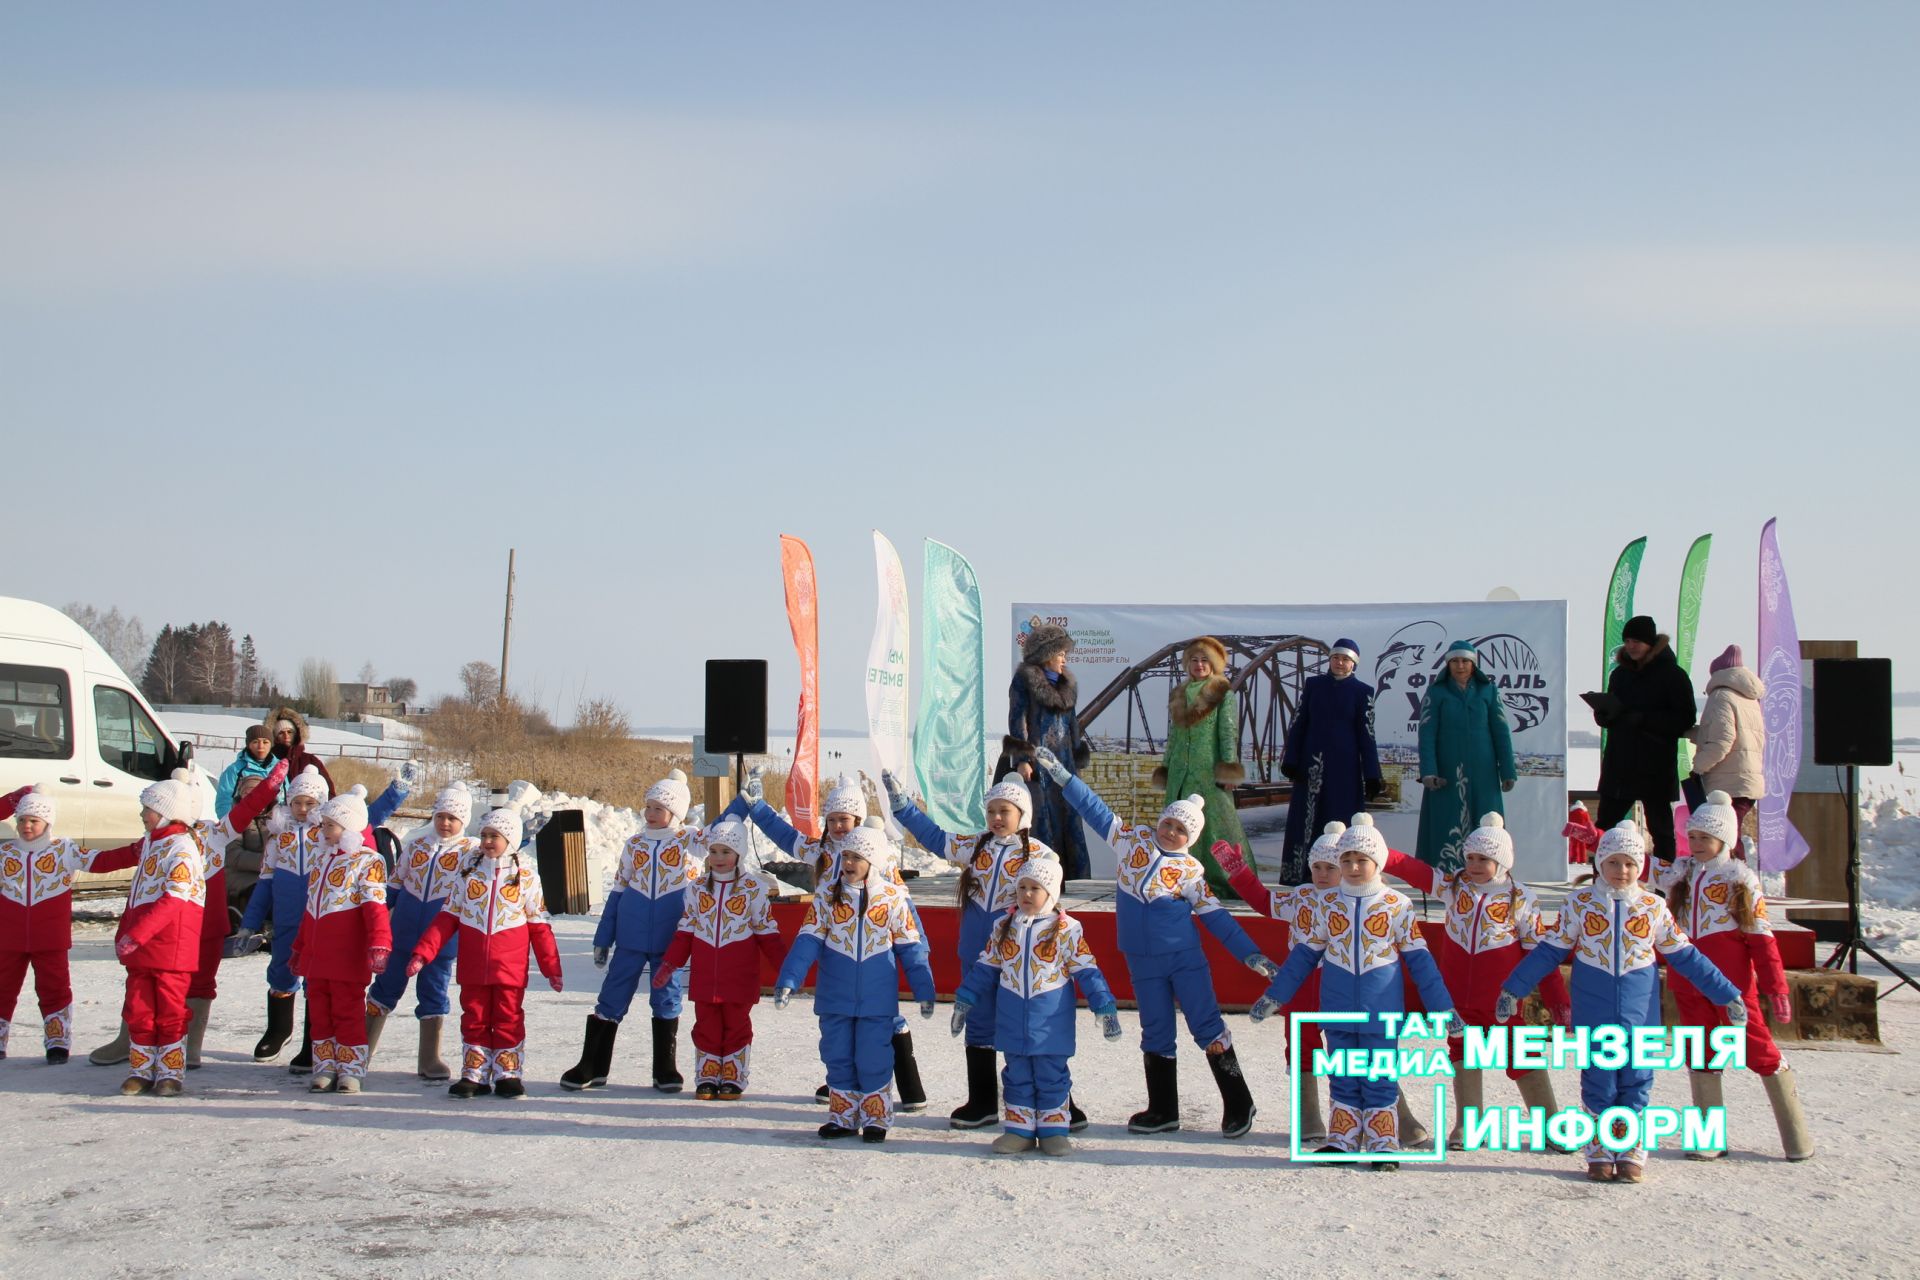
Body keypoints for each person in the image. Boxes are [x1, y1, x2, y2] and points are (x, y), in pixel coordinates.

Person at [1035, 745, 1278, 1139]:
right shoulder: (1132, 842)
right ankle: (1163, 1109)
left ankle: (1238, 1101)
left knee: (1206, 1026)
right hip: (1141, 960)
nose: (1171, 832)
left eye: (1181, 830)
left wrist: (1250, 954)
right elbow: (1095, 811)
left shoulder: (1190, 872)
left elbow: (1217, 919)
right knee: (1156, 1030)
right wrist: (1065, 778)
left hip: (1183, 960)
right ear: (1161, 820)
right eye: (1169, 823)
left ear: (1191, 837)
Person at [1498, 819, 1745, 1183]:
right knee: (1598, 1077)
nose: (1622, 870)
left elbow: (1687, 957)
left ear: (1640, 866)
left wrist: (1727, 994)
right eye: (1613, 862)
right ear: (1599, 864)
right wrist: (1513, 988)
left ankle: (1629, 1147)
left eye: (1629, 863)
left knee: (1637, 1077)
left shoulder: (1652, 907)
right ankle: (1600, 1148)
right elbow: (1548, 951)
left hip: (1638, 1007)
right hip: (1593, 1005)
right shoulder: (1580, 904)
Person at [1252, 814, 1457, 1169]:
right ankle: (1342, 1139)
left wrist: (1443, 1009)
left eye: (1361, 859)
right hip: (1338, 1005)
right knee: (1343, 1071)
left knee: (1379, 1073)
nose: (1353, 866)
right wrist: (1276, 995)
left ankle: (1383, 1142)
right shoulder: (1328, 905)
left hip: (1381, 1008)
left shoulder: (1396, 905)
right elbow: (1304, 954)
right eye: (1345, 860)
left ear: (1376, 862)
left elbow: (1421, 961)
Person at [726, 769, 929, 1113]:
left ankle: (910, 1089)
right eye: (832, 819)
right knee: (841, 1020)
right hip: (837, 943)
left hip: (874, 947)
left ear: (859, 820)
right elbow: (782, 834)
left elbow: (902, 904)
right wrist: (758, 806)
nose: (838, 827)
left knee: (884, 1019)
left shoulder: (877, 855)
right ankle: (843, 1083)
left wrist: (917, 945)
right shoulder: (819, 851)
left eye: (845, 820)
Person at [883, 769, 1063, 1130]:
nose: (997, 818)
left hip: (1017, 958)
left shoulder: (1039, 854)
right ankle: (982, 1103)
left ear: (1022, 814)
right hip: (975, 955)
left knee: (1026, 1026)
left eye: (1005, 811)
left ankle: (1057, 1104)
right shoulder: (976, 846)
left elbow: (1051, 900)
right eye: (992, 810)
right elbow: (935, 837)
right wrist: (903, 806)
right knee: (979, 1026)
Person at [1379, 812, 1568, 1145]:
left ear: (1503, 861)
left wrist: (1559, 1003)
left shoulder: (1521, 898)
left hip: (1501, 1000)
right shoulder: (1455, 887)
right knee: (1462, 1048)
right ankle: (1469, 1124)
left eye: (1485, 859)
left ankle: (1550, 1124)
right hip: (1457, 998)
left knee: (1519, 1051)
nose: (1475, 865)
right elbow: (1415, 870)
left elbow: (1542, 957)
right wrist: (1380, 850)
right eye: (1470, 858)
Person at [1660, 792, 1812, 1161]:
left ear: (1724, 840)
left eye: (1704, 839)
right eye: (1692, 836)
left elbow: (1762, 940)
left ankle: (1796, 1137)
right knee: (1699, 1053)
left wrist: (1775, 986)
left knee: (1757, 1050)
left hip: (1731, 990)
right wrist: (1594, 839)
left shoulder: (1740, 880)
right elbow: (1630, 865)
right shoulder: (1680, 872)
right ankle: (1709, 1138)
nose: (1696, 845)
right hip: (1688, 985)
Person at [773, 823, 936, 1143]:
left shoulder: (891, 899)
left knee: (873, 1056)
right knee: (837, 1054)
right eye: (845, 855)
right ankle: (843, 1116)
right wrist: (789, 979)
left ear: (873, 861)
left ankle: (875, 1117)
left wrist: (924, 989)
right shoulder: (827, 897)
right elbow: (807, 941)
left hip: (877, 999)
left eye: (856, 857)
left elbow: (911, 948)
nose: (847, 862)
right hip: (835, 995)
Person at [950, 858, 1121, 1156]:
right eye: (1022, 888)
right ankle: (1020, 1130)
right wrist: (965, 1000)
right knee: (1016, 1073)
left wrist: (1104, 1006)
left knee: (1050, 1074)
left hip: (1050, 1018)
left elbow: (1087, 970)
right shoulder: (1004, 926)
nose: (1027, 894)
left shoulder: (1066, 929)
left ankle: (1054, 1131)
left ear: (1052, 893)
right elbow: (984, 967)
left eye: (1035, 889)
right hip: (1012, 1016)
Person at [407, 808, 564, 1099]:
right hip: (474, 964)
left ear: (511, 840)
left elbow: (539, 926)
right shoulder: (468, 872)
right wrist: (423, 953)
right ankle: (475, 1073)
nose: (488, 841)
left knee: (508, 1017)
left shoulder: (525, 876)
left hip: (509, 967)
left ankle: (508, 1073)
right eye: (484, 835)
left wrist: (551, 967)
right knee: (474, 1016)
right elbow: (447, 917)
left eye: (495, 836)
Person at [563, 770, 700, 1093]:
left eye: (658, 809)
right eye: (648, 807)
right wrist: (603, 937)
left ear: (675, 814)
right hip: (631, 937)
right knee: (611, 997)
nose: (650, 814)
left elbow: (724, 832)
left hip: (670, 938)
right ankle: (593, 1065)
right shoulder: (634, 844)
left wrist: (748, 801)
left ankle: (665, 1068)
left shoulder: (689, 841)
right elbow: (618, 891)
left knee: (666, 998)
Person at [1213, 822, 1344, 1146]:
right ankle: (1308, 1116)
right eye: (1317, 867)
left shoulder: (1357, 901)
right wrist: (1238, 872)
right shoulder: (1301, 897)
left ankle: (1377, 1114)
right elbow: (1264, 902)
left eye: (1332, 867)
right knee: (1302, 1047)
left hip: (1342, 984)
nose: (1323, 874)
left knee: (1354, 1047)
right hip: (1299, 986)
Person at [0, 787, 143, 1063]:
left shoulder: (63, 849)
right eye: (21, 820)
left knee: (54, 989)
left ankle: (57, 1043)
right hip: (8, 937)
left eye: (34, 821)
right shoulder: (6, 852)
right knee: (2, 988)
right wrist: (11, 800)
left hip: (50, 938)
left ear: (47, 823)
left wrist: (140, 849)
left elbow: (103, 861)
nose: (27, 826)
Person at [652, 817, 787, 1099]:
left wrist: (786, 971)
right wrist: (670, 963)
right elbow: (685, 931)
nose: (719, 858)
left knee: (737, 1025)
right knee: (706, 1026)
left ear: (739, 854)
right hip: (705, 977)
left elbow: (767, 934)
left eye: (726, 852)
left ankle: (733, 1076)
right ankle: (707, 1075)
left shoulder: (753, 889)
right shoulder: (697, 888)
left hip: (738, 976)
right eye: (713, 851)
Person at [365, 783, 476, 1081]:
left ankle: (429, 1058)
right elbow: (395, 886)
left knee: (433, 994)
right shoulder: (416, 847)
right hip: (401, 934)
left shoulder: (471, 853)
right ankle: (361, 1049)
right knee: (385, 988)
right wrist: (375, 918)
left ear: (463, 821)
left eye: (453, 818)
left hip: (441, 942)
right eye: (440, 816)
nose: (445, 823)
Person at [287, 785, 392, 1094]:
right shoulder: (321, 860)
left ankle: (351, 1068)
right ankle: (325, 1066)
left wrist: (380, 944)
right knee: (319, 1011)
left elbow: (375, 909)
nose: (323, 830)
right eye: (323, 825)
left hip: (347, 955)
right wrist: (299, 947)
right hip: (318, 955)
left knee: (347, 1011)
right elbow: (310, 911)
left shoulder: (367, 861)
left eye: (329, 825)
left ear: (347, 827)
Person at [112, 772, 209, 1097]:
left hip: (170, 946)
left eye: (148, 809)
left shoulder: (181, 848)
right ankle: (141, 1069)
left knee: (169, 1009)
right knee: (139, 1007)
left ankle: (169, 1072)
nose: (142, 814)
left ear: (167, 812)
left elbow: (174, 898)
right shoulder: (153, 844)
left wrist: (137, 934)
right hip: (142, 947)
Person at [1581, 615, 1697, 864]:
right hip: (1619, 763)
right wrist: (1603, 715)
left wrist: (1644, 720)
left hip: (1654, 763)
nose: (1631, 646)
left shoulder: (1672, 675)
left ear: (1650, 642)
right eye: (1627, 641)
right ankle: (1599, 883)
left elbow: (1684, 718)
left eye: (1636, 641)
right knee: (1604, 828)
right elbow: (1615, 711)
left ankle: (1664, 887)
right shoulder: (1620, 675)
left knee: (1661, 831)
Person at [1278, 638, 1382, 885]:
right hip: (1310, 765)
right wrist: (1291, 759)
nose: (1339, 662)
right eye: (1336, 657)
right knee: (1306, 819)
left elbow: (1367, 736)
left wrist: (1372, 774)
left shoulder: (1362, 692)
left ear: (1353, 663)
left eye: (1345, 659)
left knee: (1339, 818)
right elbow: (1299, 724)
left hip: (1344, 768)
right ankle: (1300, 875)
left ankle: (1343, 876)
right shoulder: (1314, 685)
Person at [1156, 636, 1249, 898]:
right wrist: (1165, 767)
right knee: (1177, 825)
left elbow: (1227, 732)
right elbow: (1174, 736)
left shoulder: (1222, 693)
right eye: (1194, 660)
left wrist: (1228, 767)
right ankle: (1180, 880)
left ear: (1215, 664)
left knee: (1217, 826)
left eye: (1204, 660)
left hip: (1207, 772)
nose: (1199, 665)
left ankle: (1227, 883)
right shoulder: (1180, 693)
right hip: (1179, 772)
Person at [1416, 640, 1516, 873]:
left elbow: (1501, 732)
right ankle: (1445, 877)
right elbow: (1427, 733)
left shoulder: (1488, 691)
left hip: (1485, 771)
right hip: (1447, 772)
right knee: (1446, 821)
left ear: (1474, 664)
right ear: (1447, 664)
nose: (1460, 666)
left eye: (1465, 661)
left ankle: (1488, 874)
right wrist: (1429, 771)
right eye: (1455, 661)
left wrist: (1508, 770)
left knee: (1486, 821)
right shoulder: (1436, 692)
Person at [1001, 623, 1091, 879]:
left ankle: (1073, 879)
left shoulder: (1067, 683)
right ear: (1047, 654)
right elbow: (1017, 720)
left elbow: (1073, 725)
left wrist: (1076, 757)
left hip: (1064, 764)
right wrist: (1022, 759)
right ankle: (1041, 877)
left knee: (1069, 819)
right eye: (1061, 653)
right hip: (1038, 764)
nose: (1064, 659)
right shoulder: (1024, 680)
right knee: (1043, 821)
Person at [1686, 645, 1766, 858]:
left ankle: (1737, 886)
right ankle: (1737, 884)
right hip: (1745, 779)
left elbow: (1721, 742)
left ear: (1717, 673)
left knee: (1724, 840)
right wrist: (1690, 733)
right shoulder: (1748, 698)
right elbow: (1732, 735)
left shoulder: (1721, 695)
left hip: (1726, 783)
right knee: (1731, 836)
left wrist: (1698, 768)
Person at [267, 706, 335, 798]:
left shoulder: (311, 760)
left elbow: (329, 792)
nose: (286, 736)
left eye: (290, 732)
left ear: (297, 733)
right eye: (281, 733)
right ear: (274, 736)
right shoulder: (268, 760)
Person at [214, 724, 280, 818]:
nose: (261, 746)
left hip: (273, 825)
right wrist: (230, 826)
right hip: (242, 824)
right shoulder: (235, 770)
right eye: (255, 742)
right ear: (248, 744)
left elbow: (286, 799)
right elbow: (224, 801)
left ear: (271, 745)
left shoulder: (279, 769)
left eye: (265, 742)